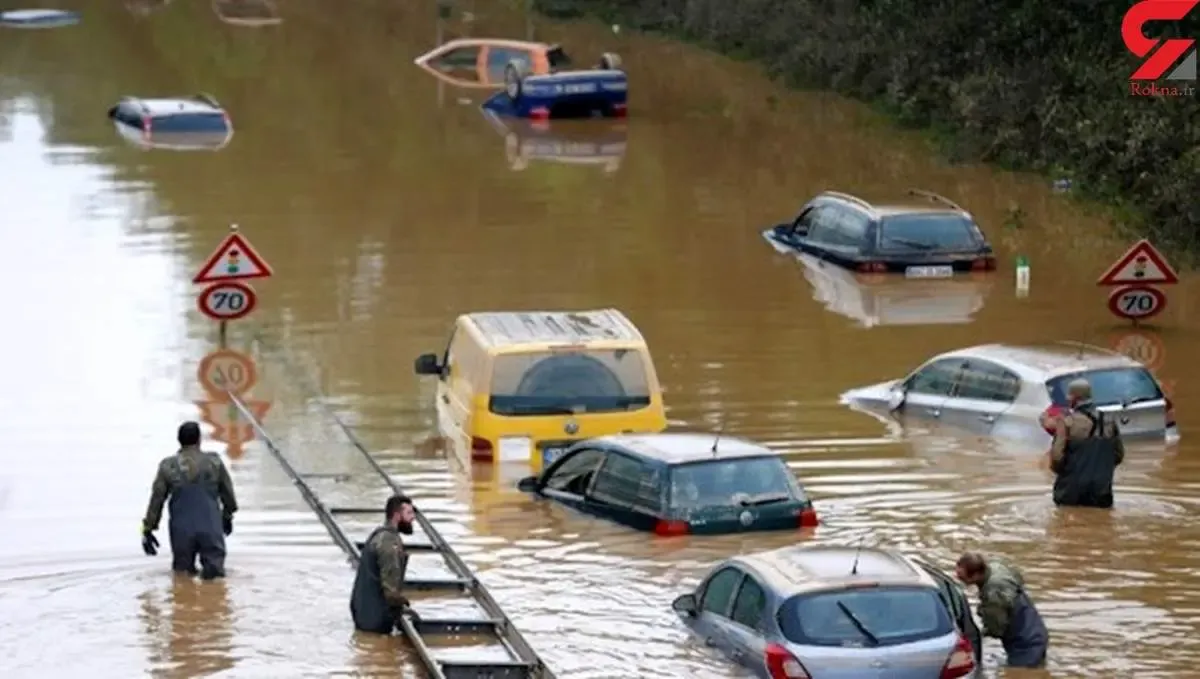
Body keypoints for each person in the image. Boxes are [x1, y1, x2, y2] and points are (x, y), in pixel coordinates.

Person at [141, 421, 239, 579]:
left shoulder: (168, 466)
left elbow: (156, 501)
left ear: (179, 440)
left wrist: (147, 529)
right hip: (210, 528)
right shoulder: (214, 462)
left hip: (181, 532)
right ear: (199, 440)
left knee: (182, 578)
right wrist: (227, 516)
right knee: (215, 579)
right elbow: (229, 497)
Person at [955, 553, 1048, 668]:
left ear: (976, 575)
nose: (958, 579)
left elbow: (996, 628)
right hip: (1034, 627)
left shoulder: (993, 593)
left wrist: (979, 634)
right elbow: (1019, 579)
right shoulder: (996, 567)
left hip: (1024, 643)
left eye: (962, 577)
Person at [1047, 378, 1125, 508]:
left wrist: (1068, 472)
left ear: (1074, 399)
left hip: (1070, 492)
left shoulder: (1066, 423)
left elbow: (1056, 457)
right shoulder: (1109, 421)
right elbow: (1118, 455)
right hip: (1101, 492)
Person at [350, 494, 422, 634]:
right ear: (397, 515)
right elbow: (390, 591)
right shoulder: (389, 542)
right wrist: (405, 604)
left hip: (362, 612)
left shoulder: (379, 535)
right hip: (375, 618)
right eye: (409, 513)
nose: (413, 517)